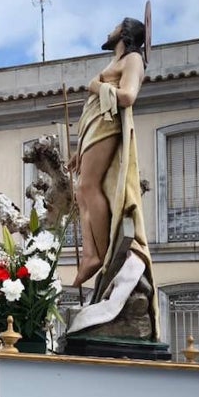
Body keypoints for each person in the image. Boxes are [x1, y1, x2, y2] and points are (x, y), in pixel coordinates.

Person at [68, 16, 154, 304]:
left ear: (125, 33)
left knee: (88, 187)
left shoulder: (133, 59)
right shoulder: (115, 62)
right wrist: (79, 150)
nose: (110, 28)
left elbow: (128, 95)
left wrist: (96, 87)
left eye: (116, 25)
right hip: (94, 128)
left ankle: (103, 255)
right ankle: (92, 253)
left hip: (107, 126)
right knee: (82, 189)